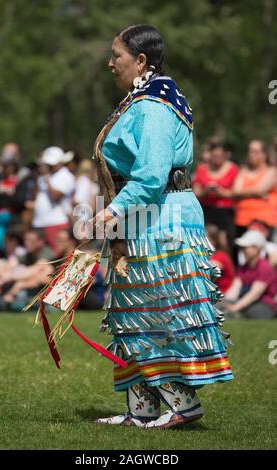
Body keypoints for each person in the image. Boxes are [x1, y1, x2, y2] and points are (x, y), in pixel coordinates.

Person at [89, 24, 233, 429]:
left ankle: (182, 403)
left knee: (157, 312)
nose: (110, 63)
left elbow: (151, 175)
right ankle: (143, 408)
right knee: (132, 311)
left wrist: (113, 209)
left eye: (116, 55)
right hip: (147, 215)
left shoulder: (152, 106)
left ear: (140, 61)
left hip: (159, 216)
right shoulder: (145, 101)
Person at [223, 230, 277, 319]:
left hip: (264, 304)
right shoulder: (243, 267)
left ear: (257, 249)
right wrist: (225, 302)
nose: (243, 250)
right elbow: (234, 290)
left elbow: (255, 294)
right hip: (246, 301)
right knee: (221, 306)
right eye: (242, 248)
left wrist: (234, 308)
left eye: (245, 247)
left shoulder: (264, 267)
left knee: (252, 312)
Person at [32, 147, 76, 252]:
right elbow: (35, 195)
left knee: (58, 253)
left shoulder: (66, 176)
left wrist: (47, 179)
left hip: (56, 222)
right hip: (39, 222)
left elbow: (55, 196)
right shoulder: (44, 176)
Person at [192, 142, 239, 242]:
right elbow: (196, 192)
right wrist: (206, 191)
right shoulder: (201, 169)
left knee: (224, 240)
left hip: (226, 212)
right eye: (214, 156)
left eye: (219, 156)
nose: (216, 158)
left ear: (225, 155)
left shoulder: (233, 169)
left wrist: (221, 192)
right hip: (206, 210)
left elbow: (237, 193)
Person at [233, 140, 277, 237]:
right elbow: (235, 192)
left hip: (264, 221)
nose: (251, 154)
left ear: (264, 154)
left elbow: (260, 190)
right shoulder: (243, 171)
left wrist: (242, 193)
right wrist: (256, 193)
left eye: (256, 152)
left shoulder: (271, 171)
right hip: (241, 220)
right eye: (250, 151)